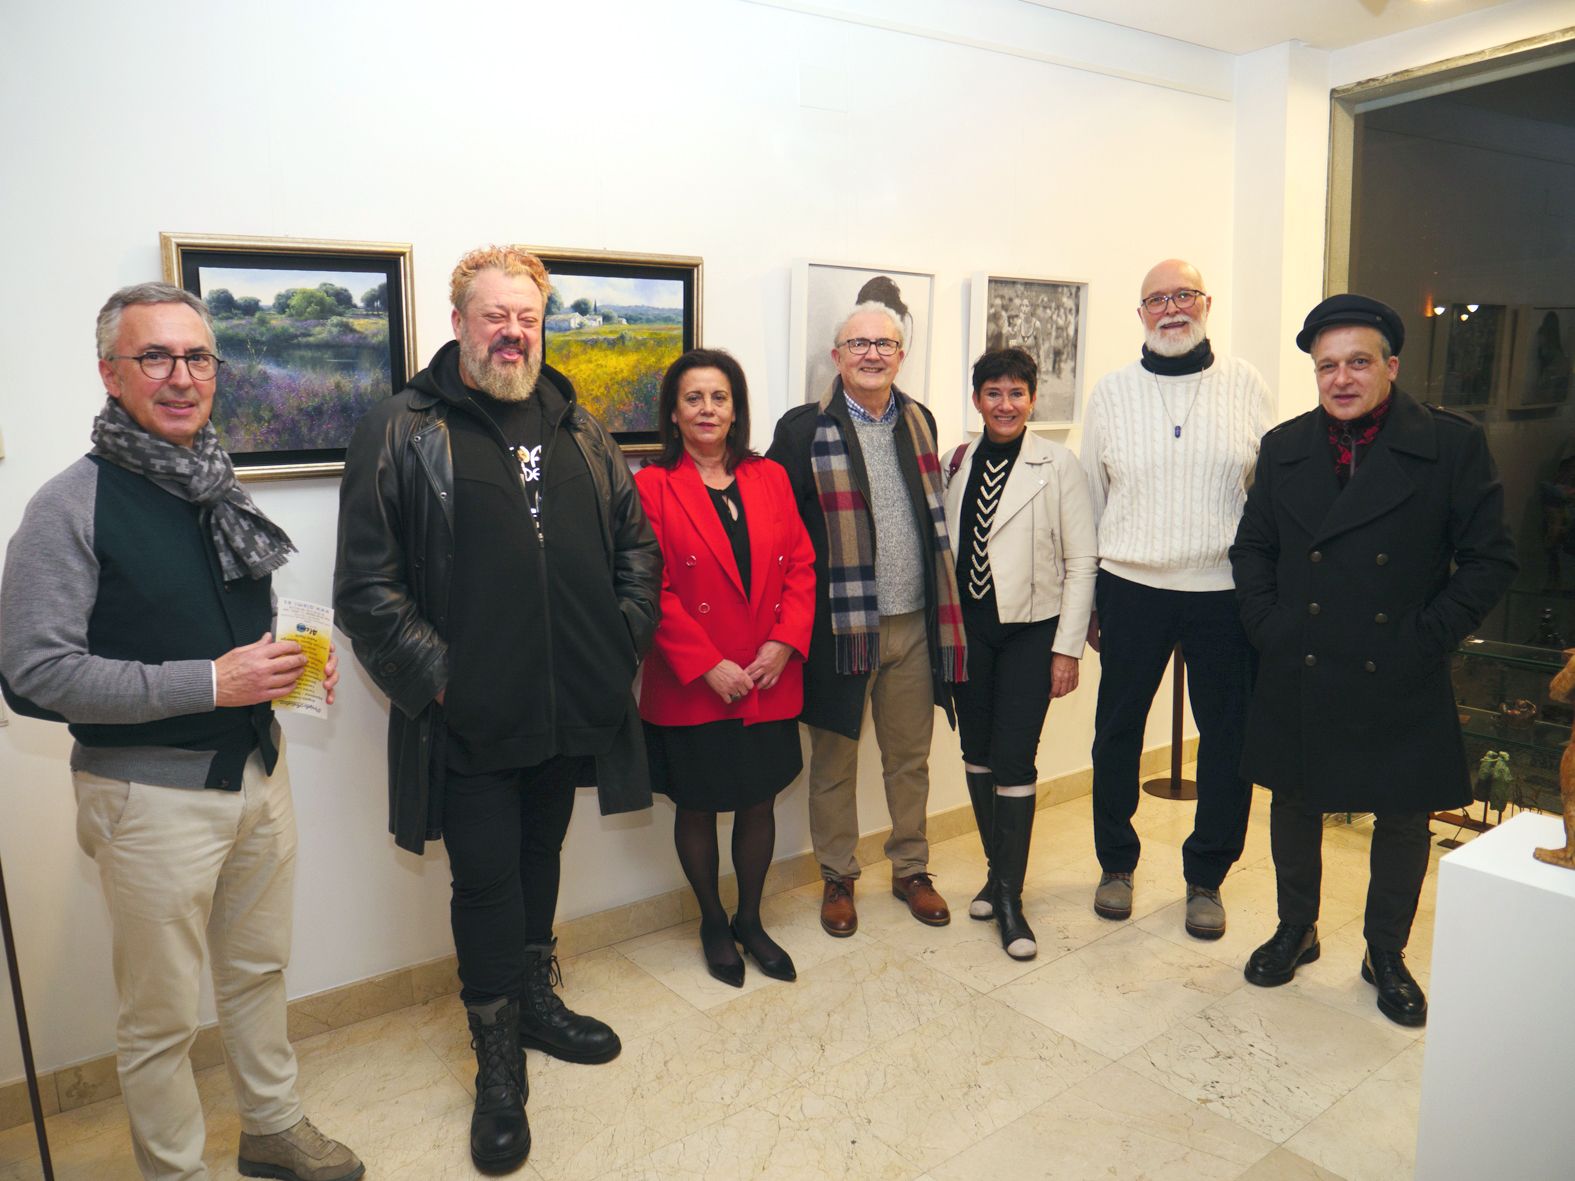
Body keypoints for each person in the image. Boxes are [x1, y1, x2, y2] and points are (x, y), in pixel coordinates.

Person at [0, 283, 361, 1181]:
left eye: (197, 357)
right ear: (109, 375)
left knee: (258, 971)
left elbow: (217, 618)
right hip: (146, 796)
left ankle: (272, 1128)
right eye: (153, 357)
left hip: (255, 773)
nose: (180, 377)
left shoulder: (213, 479)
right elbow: (32, 673)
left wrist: (289, 665)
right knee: (159, 1020)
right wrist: (211, 680)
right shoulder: (68, 503)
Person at [332, 245, 660, 1172]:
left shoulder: (581, 429)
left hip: (564, 708)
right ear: (460, 322)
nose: (513, 332)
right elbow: (365, 588)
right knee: (482, 880)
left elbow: (637, 549)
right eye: (495, 315)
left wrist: (618, 641)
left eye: (528, 316)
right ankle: (497, 1061)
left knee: (538, 855)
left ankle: (537, 1001)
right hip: (470, 716)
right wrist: (444, 680)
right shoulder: (402, 428)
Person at [1231, 294, 1517, 1026]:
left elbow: (1488, 560)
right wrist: (1268, 624)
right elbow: (1253, 548)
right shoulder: (1285, 445)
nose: (1341, 378)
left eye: (1358, 361)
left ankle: (1383, 951)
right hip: (1301, 655)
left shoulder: (1449, 446)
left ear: (1390, 366)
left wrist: (1427, 636)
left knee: (1401, 815)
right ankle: (1296, 929)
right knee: (1292, 801)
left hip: (1401, 662)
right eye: (1327, 365)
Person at [1081, 258, 1274, 938]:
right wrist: (1093, 598)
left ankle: (1206, 877)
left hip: (1222, 593)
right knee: (1115, 736)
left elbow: (1262, 497)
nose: (1171, 308)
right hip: (1131, 588)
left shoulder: (1245, 383)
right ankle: (1115, 862)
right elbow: (1091, 499)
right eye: (1155, 299)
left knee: (1227, 739)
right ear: (1139, 314)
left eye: (1183, 295)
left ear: (1206, 303)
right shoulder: (1108, 392)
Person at [768, 301, 968, 936]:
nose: (872, 354)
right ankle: (837, 875)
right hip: (840, 631)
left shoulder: (921, 421)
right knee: (834, 764)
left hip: (914, 623)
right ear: (838, 357)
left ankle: (910, 867)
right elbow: (782, 533)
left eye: (885, 344)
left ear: (901, 356)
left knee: (909, 760)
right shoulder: (802, 431)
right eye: (858, 344)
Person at [635, 349, 815, 986]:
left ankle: (750, 918)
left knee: (758, 801)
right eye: (694, 399)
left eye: (719, 397)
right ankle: (712, 919)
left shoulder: (770, 477)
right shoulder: (651, 485)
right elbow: (647, 587)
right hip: (695, 683)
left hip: (767, 676)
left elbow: (800, 565)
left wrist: (785, 644)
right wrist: (707, 663)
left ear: (735, 409)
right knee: (698, 806)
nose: (707, 409)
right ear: (675, 413)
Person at [943, 348, 1097, 959]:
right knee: (976, 754)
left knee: (1014, 757)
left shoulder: (1058, 465)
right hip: (969, 631)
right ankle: (995, 874)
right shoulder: (956, 461)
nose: (1005, 405)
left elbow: (1083, 562)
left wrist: (1069, 648)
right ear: (976, 399)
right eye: (993, 393)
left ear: (1033, 400)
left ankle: (1010, 901)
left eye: (1016, 394)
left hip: (1032, 631)